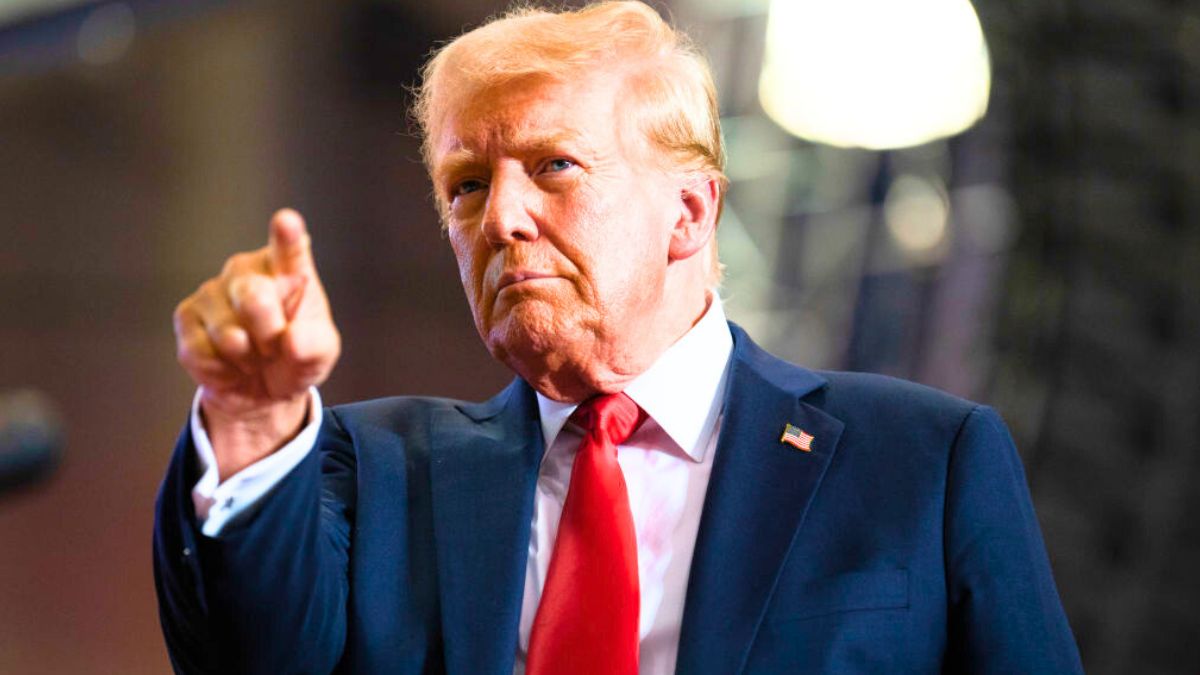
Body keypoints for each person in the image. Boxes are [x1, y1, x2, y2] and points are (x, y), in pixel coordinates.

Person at [153, 2, 1084, 673]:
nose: (502, 218)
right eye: (466, 185)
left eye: (554, 165)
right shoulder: (368, 471)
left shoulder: (923, 460)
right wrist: (252, 419)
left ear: (688, 211)